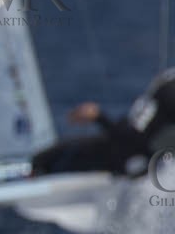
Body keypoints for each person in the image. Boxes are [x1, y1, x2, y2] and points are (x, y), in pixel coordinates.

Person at [30, 69, 175, 177]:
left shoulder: (168, 82)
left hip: (129, 158)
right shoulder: (168, 84)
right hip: (122, 150)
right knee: (44, 159)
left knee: (44, 161)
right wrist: (99, 117)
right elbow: (131, 138)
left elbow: (132, 140)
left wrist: (98, 116)